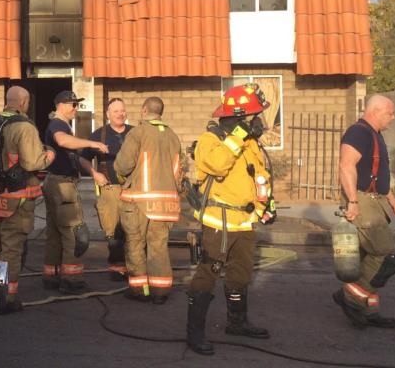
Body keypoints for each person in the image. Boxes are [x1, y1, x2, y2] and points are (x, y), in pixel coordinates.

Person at [187, 83, 276, 356]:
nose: (257, 122)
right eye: (252, 117)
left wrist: (266, 205)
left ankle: (237, 322)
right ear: (238, 117)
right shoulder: (210, 140)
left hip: (245, 221)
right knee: (208, 273)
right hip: (219, 222)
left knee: (241, 274)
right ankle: (195, 332)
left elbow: (258, 175)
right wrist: (238, 135)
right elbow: (217, 165)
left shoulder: (249, 143)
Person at [0, 86, 55, 314]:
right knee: (11, 251)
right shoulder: (24, 127)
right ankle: (6, 300)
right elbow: (33, 163)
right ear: (23, 102)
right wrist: (49, 155)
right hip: (16, 202)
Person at [334, 94, 395, 329]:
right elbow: (346, 165)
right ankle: (350, 295)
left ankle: (368, 310)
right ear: (375, 110)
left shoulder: (375, 134)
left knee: (367, 258)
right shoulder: (358, 132)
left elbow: (377, 169)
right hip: (362, 201)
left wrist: (389, 195)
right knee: (387, 257)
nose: (393, 118)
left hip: (375, 199)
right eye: (390, 113)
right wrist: (352, 201)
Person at [112, 97, 182, 305]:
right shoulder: (172, 136)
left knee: (135, 244)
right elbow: (178, 172)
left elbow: (123, 165)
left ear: (144, 111)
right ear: (161, 112)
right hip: (165, 203)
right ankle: (160, 291)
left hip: (139, 202)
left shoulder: (138, 132)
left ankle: (140, 290)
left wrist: (123, 177)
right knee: (158, 245)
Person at [42, 91, 108, 295]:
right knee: (73, 233)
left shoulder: (61, 125)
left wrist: (93, 172)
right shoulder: (58, 125)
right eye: (72, 104)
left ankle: (52, 277)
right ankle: (72, 280)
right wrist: (92, 143)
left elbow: (73, 156)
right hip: (63, 186)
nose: (75, 109)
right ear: (60, 105)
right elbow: (63, 142)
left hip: (55, 183)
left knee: (55, 234)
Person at [81, 98, 131, 281]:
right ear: (108, 114)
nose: (120, 114)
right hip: (110, 190)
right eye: (116, 111)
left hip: (133, 190)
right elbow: (82, 158)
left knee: (134, 231)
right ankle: (117, 268)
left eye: (123, 110)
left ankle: (134, 266)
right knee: (113, 233)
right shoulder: (98, 135)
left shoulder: (135, 133)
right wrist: (94, 174)